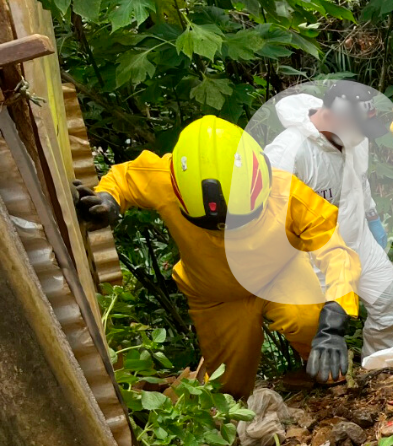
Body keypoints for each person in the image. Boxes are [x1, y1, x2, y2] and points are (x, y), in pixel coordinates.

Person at [74, 116, 360, 397]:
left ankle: (331, 383)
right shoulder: (164, 179)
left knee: (309, 323)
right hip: (217, 295)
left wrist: (334, 321)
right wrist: (107, 200)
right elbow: (125, 177)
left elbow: (335, 250)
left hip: (281, 277)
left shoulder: (288, 194)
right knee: (227, 389)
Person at [263, 82, 393, 358]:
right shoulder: (289, 152)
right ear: (331, 118)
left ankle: (382, 372)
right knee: (320, 328)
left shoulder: (353, 138)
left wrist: (373, 218)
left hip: (359, 239)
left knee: (391, 308)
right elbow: (272, 215)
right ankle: (323, 387)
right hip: (316, 255)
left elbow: (359, 182)